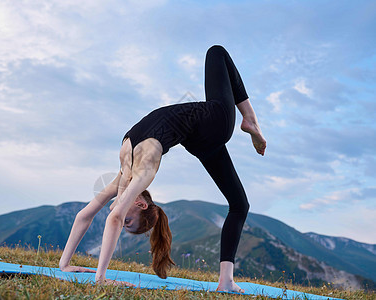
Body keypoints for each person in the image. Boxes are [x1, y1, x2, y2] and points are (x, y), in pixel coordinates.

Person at [59, 45, 266, 292]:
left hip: (208, 127)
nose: (120, 218)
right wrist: (70, 266)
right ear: (141, 205)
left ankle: (250, 120)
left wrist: (82, 271)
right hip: (205, 133)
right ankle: (226, 282)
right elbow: (97, 215)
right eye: (128, 221)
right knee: (240, 204)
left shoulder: (131, 173)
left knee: (217, 51)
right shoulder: (139, 171)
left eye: (126, 222)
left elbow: (91, 214)